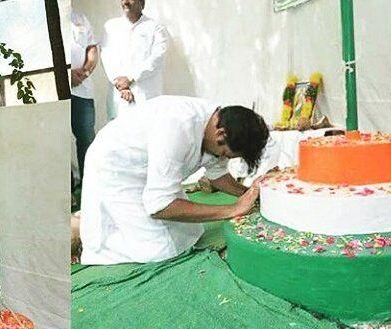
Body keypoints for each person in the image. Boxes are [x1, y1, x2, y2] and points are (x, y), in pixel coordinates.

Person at [80, 98, 270, 265]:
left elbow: (217, 174)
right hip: (117, 170)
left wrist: (249, 193)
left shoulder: (220, 124)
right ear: (220, 134)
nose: (224, 159)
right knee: (161, 250)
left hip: (152, 175)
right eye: (225, 154)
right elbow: (160, 206)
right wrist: (233, 209)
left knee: (191, 232)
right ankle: (78, 227)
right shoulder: (178, 127)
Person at [100, 0, 169, 120]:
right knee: (119, 134)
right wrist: (121, 84)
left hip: (146, 94)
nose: (125, 2)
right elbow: (106, 56)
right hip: (119, 94)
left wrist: (131, 78)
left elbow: (158, 58)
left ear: (142, 2)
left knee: (147, 133)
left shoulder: (155, 27)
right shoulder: (111, 26)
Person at [70, 8, 99, 181]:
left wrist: (85, 72)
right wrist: (67, 74)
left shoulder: (80, 17)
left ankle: (90, 186)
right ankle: (70, 190)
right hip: (58, 91)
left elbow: (92, 49)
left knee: (87, 140)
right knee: (59, 139)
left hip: (83, 90)